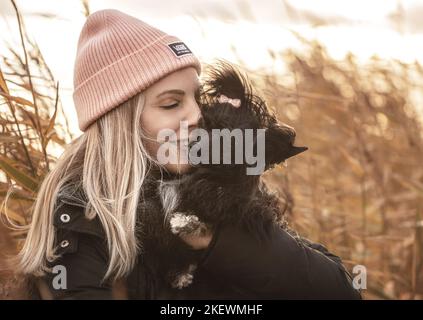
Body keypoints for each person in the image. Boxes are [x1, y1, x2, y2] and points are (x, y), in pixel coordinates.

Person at [16, 9, 361, 300]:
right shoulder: (82, 218)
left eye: (195, 97)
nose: (196, 115)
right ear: (120, 123)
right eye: (171, 103)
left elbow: (342, 291)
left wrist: (218, 240)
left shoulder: (214, 184)